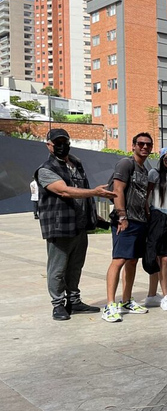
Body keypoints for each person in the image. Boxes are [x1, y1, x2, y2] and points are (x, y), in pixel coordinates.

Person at [35, 128, 116, 321]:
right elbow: (64, 191)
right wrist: (95, 192)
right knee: (58, 269)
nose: (63, 146)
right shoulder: (46, 170)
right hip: (60, 227)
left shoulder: (76, 163)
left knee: (76, 266)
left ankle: (74, 301)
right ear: (49, 145)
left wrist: (94, 217)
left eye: (65, 142)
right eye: (58, 143)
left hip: (79, 226)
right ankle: (58, 305)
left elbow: (82, 193)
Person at [104, 132, 153, 323]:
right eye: (140, 143)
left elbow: (143, 197)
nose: (144, 147)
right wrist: (122, 216)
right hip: (125, 220)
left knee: (132, 261)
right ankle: (110, 305)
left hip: (140, 221)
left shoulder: (144, 169)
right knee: (119, 260)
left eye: (148, 144)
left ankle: (126, 300)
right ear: (133, 145)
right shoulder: (126, 164)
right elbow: (117, 190)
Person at [143, 147, 167, 312]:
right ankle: (165, 295)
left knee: (162, 258)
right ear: (161, 160)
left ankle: (153, 295)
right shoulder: (154, 174)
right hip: (156, 217)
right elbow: (146, 197)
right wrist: (149, 218)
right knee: (160, 258)